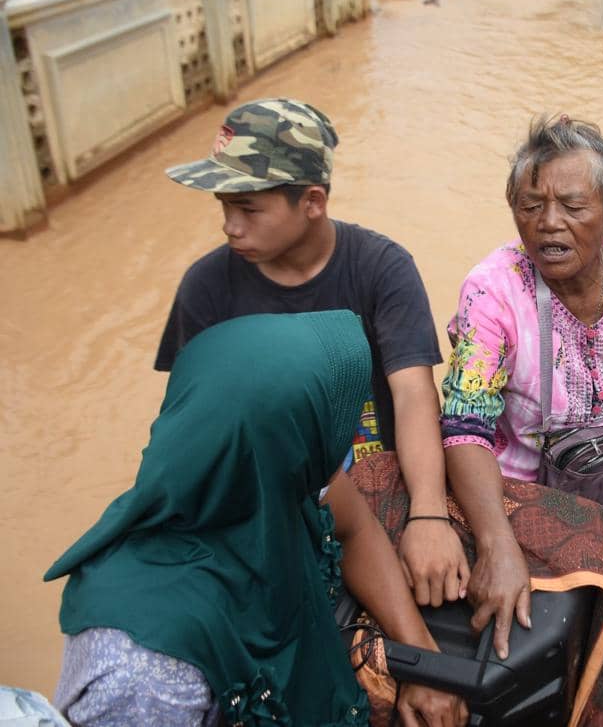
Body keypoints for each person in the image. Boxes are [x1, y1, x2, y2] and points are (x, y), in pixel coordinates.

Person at [46, 311, 468, 727]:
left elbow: (356, 528)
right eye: (324, 423)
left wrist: (424, 665)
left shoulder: (247, 477)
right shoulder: (146, 679)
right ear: (284, 444)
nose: (346, 432)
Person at [154, 98, 468, 610]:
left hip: (378, 486)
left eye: (248, 209)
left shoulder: (381, 268)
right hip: (268, 504)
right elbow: (191, 427)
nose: (231, 226)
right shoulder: (206, 288)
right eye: (224, 207)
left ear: (313, 201)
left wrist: (428, 515)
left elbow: (413, 394)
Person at [439, 114, 603, 656]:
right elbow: (464, 428)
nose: (549, 223)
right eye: (531, 206)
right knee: (518, 601)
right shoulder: (492, 291)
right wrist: (496, 543)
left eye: (573, 207)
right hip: (517, 484)